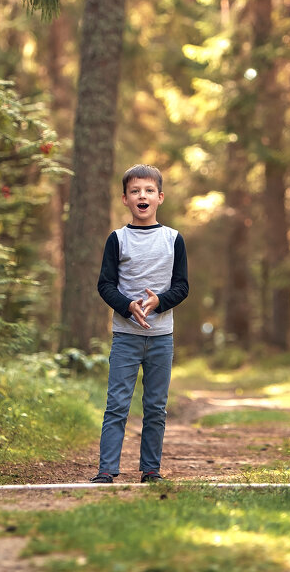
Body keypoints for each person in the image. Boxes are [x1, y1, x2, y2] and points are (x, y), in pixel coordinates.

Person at [89, 163, 189, 484]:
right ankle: (107, 470)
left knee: (155, 408)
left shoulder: (173, 240)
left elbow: (182, 286)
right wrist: (128, 306)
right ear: (125, 199)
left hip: (161, 337)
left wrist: (159, 301)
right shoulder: (118, 239)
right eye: (135, 191)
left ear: (160, 197)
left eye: (148, 191)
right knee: (117, 404)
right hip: (125, 336)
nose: (141, 196)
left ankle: (150, 470)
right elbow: (105, 285)